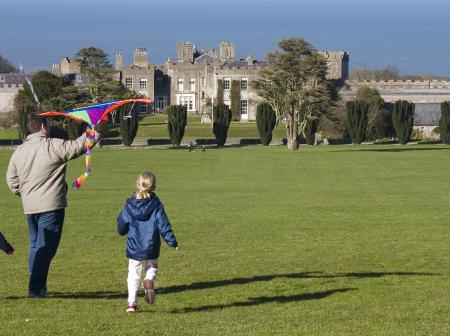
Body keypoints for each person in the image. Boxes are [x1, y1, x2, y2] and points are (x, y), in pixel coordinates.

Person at [5, 113, 101, 298]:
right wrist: (98, 129)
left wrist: (25, 193)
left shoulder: (19, 151)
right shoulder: (53, 145)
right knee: (45, 248)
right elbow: (79, 146)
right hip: (50, 205)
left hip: (30, 207)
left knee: (35, 245)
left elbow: (11, 181)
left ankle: (36, 286)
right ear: (43, 127)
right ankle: (36, 288)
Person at [117, 171, 178, 313]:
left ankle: (131, 304)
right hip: (151, 245)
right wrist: (172, 241)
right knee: (152, 265)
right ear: (154, 187)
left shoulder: (129, 204)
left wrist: (122, 231)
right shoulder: (156, 204)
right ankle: (149, 279)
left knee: (133, 274)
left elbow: (122, 224)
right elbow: (164, 224)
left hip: (134, 246)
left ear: (138, 184)